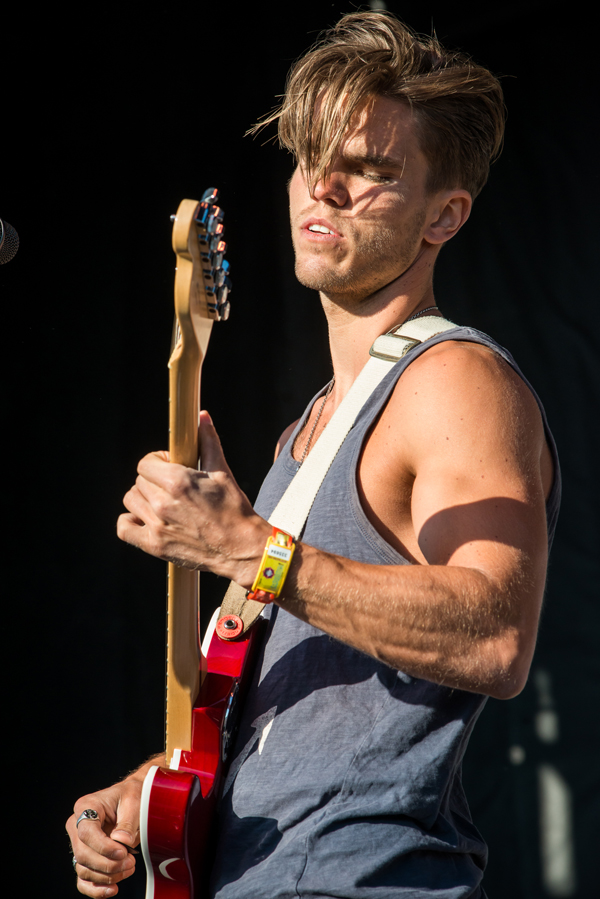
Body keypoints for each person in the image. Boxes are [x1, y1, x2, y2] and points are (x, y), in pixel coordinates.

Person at [66, 11, 560, 898]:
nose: (322, 187)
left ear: (444, 215)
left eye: (369, 169)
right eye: (311, 159)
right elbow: (275, 710)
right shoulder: (311, 427)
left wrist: (248, 548)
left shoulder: (455, 379)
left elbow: (496, 636)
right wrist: (149, 789)